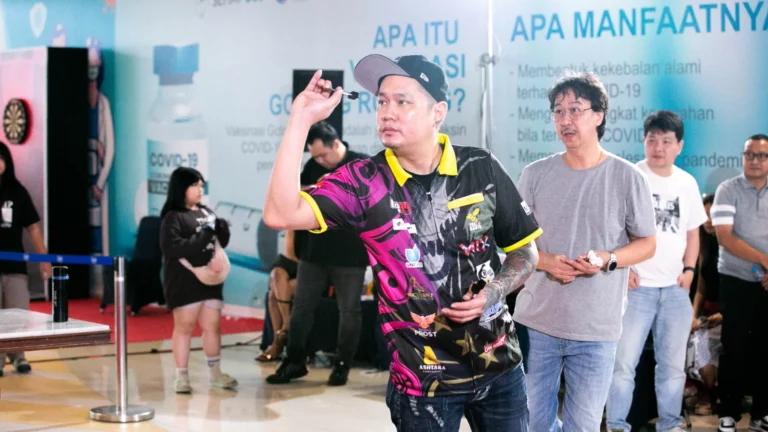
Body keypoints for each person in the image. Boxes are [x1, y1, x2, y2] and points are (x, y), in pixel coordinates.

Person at [263, 55, 540, 431]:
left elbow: (525, 250)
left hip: (500, 371)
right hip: (421, 384)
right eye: (382, 102)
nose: (387, 113)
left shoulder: (480, 168)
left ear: (437, 112)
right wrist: (299, 121)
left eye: (402, 101)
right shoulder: (364, 182)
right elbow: (280, 213)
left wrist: (493, 292)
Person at [512, 71, 657, 431]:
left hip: (596, 328)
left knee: (584, 425)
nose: (565, 120)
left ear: (599, 115)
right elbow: (514, 240)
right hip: (537, 322)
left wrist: (609, 259)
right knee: (533, 423)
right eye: (558, 111)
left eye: (575, 109)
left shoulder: (627, 177)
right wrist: (544, 261)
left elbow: (647, 243)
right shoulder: (534, 174)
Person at [606, 110, 707, 432]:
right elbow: (614, 229)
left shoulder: (687, 183)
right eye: (652, 140)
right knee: (623, 365)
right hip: (636, 289)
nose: (658, 147)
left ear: (679, 146)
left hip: (675, 289)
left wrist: (689, 270)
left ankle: (670, 424)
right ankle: (617, 425)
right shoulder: (631, 176)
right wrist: (626, 267)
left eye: (666, 141)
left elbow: (693, 233)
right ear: (643, 141)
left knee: (673, 368)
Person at [266, 121, 369, 386]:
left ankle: (342, 365)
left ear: (336, 144)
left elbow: (372, 207)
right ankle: (294, 361)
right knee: (301, 307)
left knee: (349, 310)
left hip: (350, 254)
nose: (320, 161)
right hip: (315, 251)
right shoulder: (312, 167)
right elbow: (298, 203)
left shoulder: (361, 166)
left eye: (323, 155)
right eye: (315, 156)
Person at [159, 167, 238, 393]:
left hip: (211, 281)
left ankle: (216, 373)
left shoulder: (207, 212)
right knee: (184, 326)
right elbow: (174, 247)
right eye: (194, 185)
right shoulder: (173, 217)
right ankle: (181, 377)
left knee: (212, 326)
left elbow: (219, 243)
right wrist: (206, 233)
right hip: (184, 281)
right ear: (181, 188)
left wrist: (222, 229)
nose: (199, 190)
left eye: (202, 185)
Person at [710, 134, 768, 432]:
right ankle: (728, 413)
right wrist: (765, 261)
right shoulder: (727, 189)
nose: (755, 160)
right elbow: (725, 237)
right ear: (743, 157)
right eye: (749, 155)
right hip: (735, 280)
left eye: (762, 155)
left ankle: (761, 414)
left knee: (765, 349)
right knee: (734, 347)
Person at [0, 142, 52, 377]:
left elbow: (33, 228)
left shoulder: (18, 191)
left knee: (17, 314)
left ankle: (19, 356)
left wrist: (44, 259)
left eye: (1, 158)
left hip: (15, 266)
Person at [686, 193, 722, 416]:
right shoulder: (702, 245)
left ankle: (711, 394)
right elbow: (700, 288)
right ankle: (702, 390)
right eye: (704, 216)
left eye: (713, 216)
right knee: (691, 338)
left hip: (730, 313)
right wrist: (692, 315)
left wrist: (723, 315)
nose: (708, 221)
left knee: (706, 345)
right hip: (707, 314)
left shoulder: (732, 247)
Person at [256, 229, 298, 362]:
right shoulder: (295, 224)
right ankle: (286, 326)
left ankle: (277, 343)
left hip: (314, 271)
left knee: (275, 293)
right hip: (295, 269)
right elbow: (291, 255)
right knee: (277, 274)